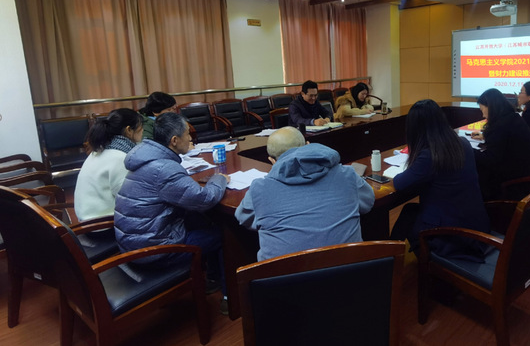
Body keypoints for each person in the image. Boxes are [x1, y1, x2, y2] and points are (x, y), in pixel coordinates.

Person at [115, 112, 229, 299]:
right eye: (187, 134)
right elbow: (204, 199)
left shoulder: (146, 157)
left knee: (200, 219)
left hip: (134, 243)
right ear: (174, 140)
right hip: (153, 252)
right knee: (223, 235)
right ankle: (227, 296)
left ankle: (213, 278)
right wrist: (219, 178)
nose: (191, 138)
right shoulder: (164, 169)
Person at [235, 126, 375, 261]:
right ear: (308, 145)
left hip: (283, 276)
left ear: (272, 161)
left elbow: (243, 217)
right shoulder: (346, 174)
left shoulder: (259, 188)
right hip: (350, 272)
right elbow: (368, 202)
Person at [390, 99, 490, 261]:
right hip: (475, 224)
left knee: (408, 217)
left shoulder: (429, 155)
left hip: (452, 235)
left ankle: (388, 262)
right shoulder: (462, 143)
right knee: (409, 212)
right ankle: (389, 259)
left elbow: (399, 183)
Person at [473, 88, 530, 200]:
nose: (483, 115)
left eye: (482, 110)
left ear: (491, 108)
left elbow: (490, 160)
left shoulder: (499, 126)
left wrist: (468, 149)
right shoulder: (514, 118)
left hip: (516, 183)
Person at [74, 108, 143, 222]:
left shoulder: (100, 149)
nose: (143, 132)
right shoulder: (120, 158)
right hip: (102, 225)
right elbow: (129, 200)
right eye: (141, 128)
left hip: (88, 219)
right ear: (129, 130)